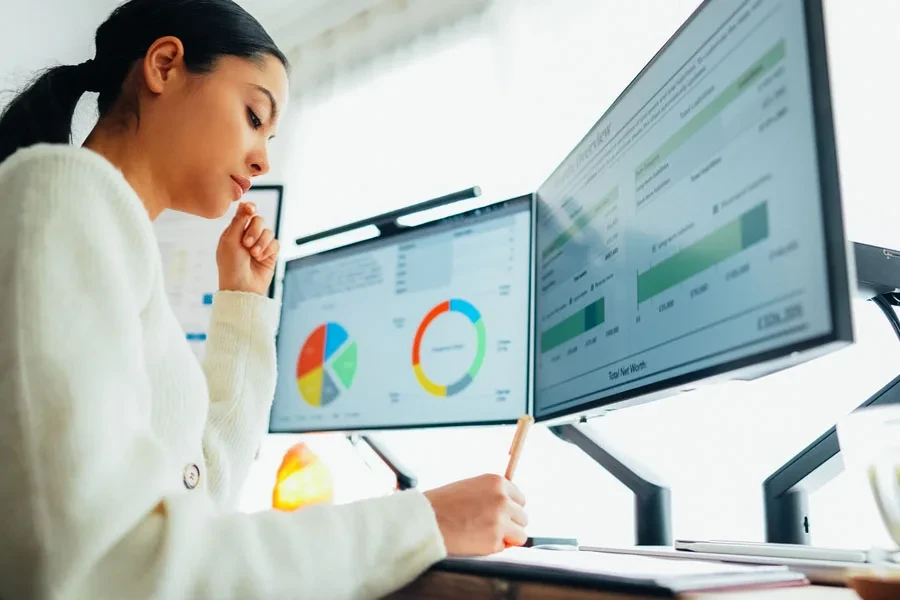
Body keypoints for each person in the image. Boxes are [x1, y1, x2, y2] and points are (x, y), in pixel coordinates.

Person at [0, 1, 528, 598]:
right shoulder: (62, 194)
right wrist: (423, 521)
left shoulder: (112, 247)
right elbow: (110, 566)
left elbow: (199, 499)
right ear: (165, 65)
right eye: (254, 115)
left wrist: (243, 306)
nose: (263, 158)